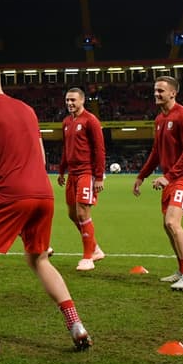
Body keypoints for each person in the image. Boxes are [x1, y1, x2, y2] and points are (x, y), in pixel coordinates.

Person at [0, 60, 91, 353]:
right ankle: (76, 324)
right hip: (43, 192)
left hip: (11, 195)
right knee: (39, 260)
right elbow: (39, 152)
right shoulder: (27, 109)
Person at [132, 76, 183, 292]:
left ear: (173, 93)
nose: (156, 94)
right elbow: (156, 151)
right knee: (167, 225)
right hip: (172, 178)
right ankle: (181, 271)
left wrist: (169, 176)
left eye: (161, 90)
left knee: (172, 222)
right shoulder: (160, 119)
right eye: (155, 90)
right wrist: (142, 175)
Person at [57, 87, 106, 270]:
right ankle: (94, 248)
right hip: (72, 174)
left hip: (87, 172)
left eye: (73, 100)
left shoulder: (90, 120)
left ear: (82, 101)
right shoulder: (66, 122)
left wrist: (99, 177)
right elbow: (66, 148)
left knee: (82, 213)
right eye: (67, 100)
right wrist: (62, 170)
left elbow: (99, 149)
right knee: (72, 214)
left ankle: (88, 257)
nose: (70, 103)